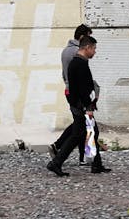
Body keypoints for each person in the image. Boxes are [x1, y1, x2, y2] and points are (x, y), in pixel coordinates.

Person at [47, 36, 111, 176]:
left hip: (78, 104)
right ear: (87, 48)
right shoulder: (80, 64)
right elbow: (82, 89)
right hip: (81, 105)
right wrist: (87, 108)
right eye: (94, 48)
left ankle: (96, 165)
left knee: (90, 133)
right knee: (78, 135)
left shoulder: (78, 62)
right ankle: (56, 163)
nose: (95, 52)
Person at [49, 24, 94, 166]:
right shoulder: (77, 52)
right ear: (82, 37)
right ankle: (64, 155)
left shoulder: (65, 50)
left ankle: (62, 150)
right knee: (81, 126)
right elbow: (78, 76)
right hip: (76, 93)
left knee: (80, 124)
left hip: (70, 90)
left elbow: (65, 74)